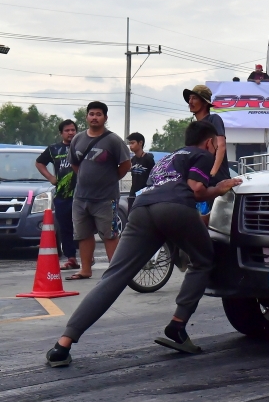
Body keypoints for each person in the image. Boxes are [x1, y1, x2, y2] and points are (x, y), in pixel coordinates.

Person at [45, 122, 243, 367]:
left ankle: (63, 343)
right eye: (215, 145)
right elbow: (196, 191)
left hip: (142, 210)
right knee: (203, 260)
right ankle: (178, 325)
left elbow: (165, 193)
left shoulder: (167, 158)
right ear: (210, 142)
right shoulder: (202, 155)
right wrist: (220, 188)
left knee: (114, 276)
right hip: (175, 209)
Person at [66, 102, 132, 280]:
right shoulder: (78, 139)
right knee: (83, 234)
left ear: (105, 118)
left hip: (106, 198)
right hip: (81, 198)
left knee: (109, 235)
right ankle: (85, 269)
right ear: (86, 117)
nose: (94, 117)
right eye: (91, 114)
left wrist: (109, 179)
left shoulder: (113, 140)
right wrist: (85, 178)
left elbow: (126, 164)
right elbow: (74, 163)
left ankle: (115, 272)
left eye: (98, 114)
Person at [35, 119, 79, 270]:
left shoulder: (82, 147)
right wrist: (50, 177)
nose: (70, 133)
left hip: (82, 194)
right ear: (61, 133)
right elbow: (39, 163)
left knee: (84, 227)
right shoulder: (54, 149)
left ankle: (88, 256)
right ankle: (71, 258)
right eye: (67, 130)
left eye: (73, 130)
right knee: (65, 228)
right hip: (62, 195)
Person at [183, 85, 230, 189]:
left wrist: (213, 172)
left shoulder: (214, 119)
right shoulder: (194, 127)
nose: (190, 102)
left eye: (194, 98)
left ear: (204, 102)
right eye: (189, 98)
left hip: (217, 181)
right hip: (201, 183)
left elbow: (221, 146)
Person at [127, 132, 155, 203]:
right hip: (133, 194)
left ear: (140, 143)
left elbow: (154, 176)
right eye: (130, 143)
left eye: (132, 143)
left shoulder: (148, 159)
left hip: (145, 195)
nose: (130, 146)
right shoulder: (133, 160)